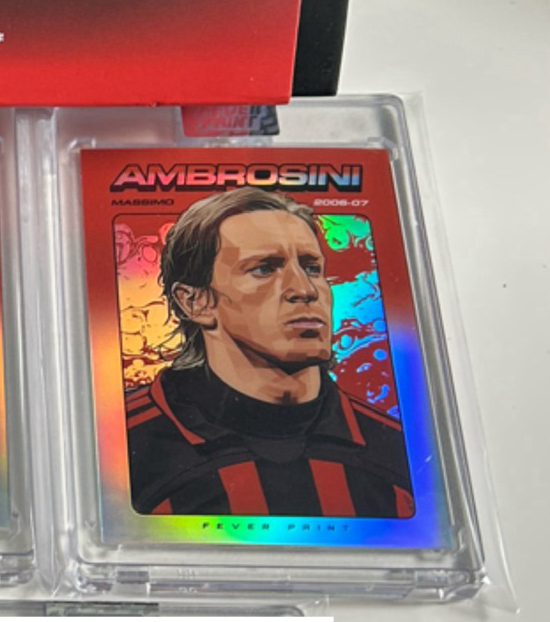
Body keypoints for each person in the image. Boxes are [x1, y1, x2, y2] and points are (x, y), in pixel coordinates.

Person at [124, 185, 413, 518]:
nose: (305, 290)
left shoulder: (393, 448)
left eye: (312, 268)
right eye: (264, 268)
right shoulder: (125, 444)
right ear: (196, 302)